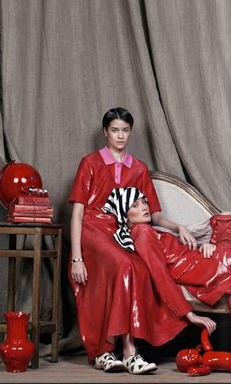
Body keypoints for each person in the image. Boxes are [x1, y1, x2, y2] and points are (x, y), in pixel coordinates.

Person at [68, 107, 215, 375]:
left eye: (125, 130)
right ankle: (120, 351)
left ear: (130, 132)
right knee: (127, 265)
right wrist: (77, 258)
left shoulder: (139, 168)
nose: (120, 136)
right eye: (115, 130)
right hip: (92, 230)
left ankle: (124, 352)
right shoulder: (90, 163)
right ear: (105, 132)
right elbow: (77, 212)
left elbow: (154, 215)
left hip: (121, 234)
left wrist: (178, 226)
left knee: (136, 268)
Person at [102, 186, 231, 336]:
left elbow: (181, 255)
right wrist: (189, 314)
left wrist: (205, 247)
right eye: (135, 205)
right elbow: (160, 276)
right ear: (124, 215)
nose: (144, 207)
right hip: (215, 271)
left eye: (143, 201)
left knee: (228, 217)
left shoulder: (147, 231)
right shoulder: (143, 234)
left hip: (208, 264)